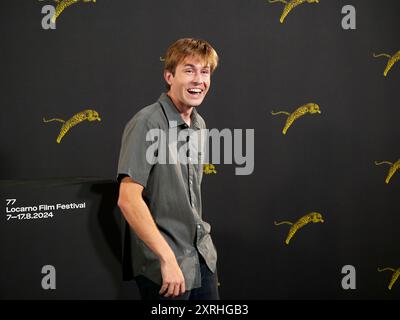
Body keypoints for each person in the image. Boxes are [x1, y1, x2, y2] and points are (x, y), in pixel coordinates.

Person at [117, 38, 220, 300]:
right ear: (169, 76)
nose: (198, 80)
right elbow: (128, 200)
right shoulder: (147, 123)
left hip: (201, 259)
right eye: (189, 70)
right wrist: (167, 259)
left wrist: (204, 253)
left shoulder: (199, 124)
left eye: (204, 71)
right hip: (167, 267)